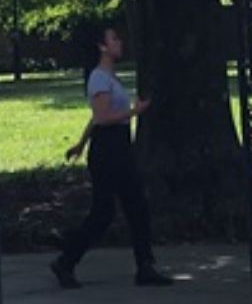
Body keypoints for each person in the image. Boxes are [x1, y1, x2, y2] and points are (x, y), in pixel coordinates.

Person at [49, 23, 176, 289]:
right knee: (103, 212)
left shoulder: (109, 77)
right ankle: (66, 259)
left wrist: (80, 143)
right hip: (108, 149)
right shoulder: (99, 78)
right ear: (102, 46)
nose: (120, 42)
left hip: (119, 146)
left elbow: (95, 118)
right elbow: (103, 117)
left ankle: (145, 266)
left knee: (136, 205)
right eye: (114, 39)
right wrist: (135, 112)